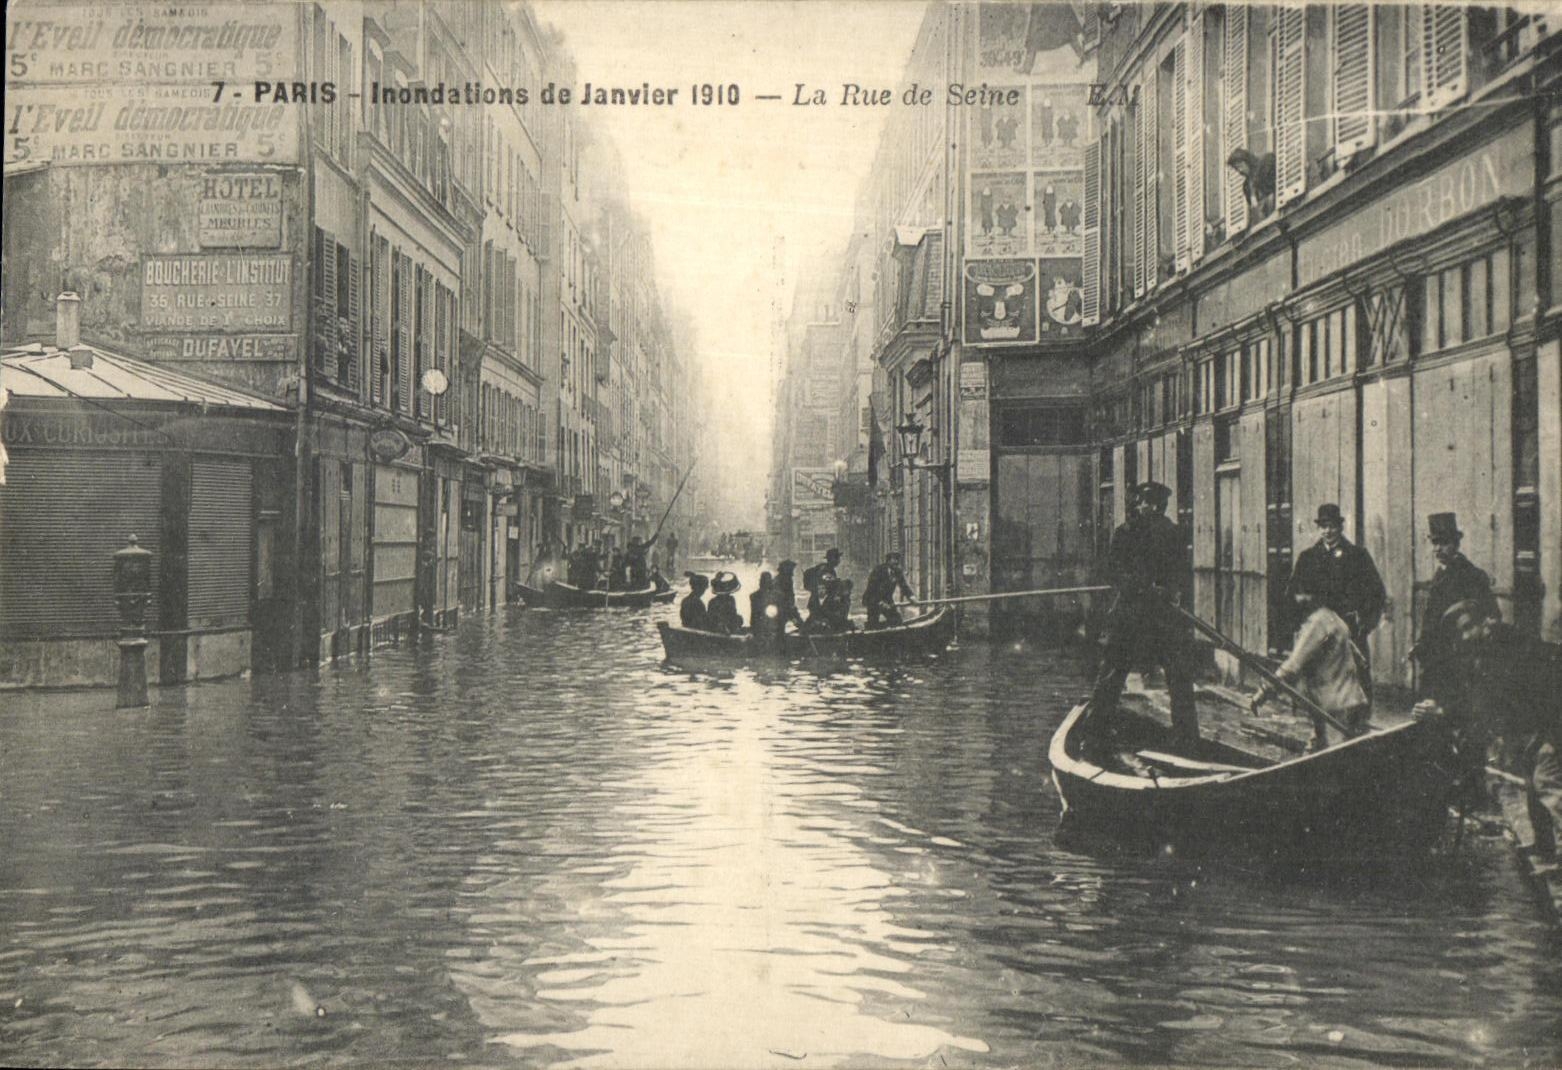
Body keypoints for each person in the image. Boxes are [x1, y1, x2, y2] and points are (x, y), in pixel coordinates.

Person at [1443, 600, 1562, 873]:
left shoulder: (1513, 648)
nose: (1464, 636)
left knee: (1549, 785)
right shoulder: (1486, 652)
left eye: (1469, 627)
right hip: (1531, 727)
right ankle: (1544, 848)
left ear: (1488, 621)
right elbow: (1483, 703)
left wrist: (1545, 736)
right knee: (1533, 784)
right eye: (1460, 632)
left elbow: (1541, 693)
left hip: (1550, 722)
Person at [1089, 480, 1199, 748]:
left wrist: (1163, 591)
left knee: (1172, 676)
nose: (1146, 507)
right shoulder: (1130, 533)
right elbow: (1114, 571)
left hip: (1153, 616)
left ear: (1157, 505)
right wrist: (1145, 587)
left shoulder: (1164, 533)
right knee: (1117, 673)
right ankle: (1096, 733)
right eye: (1143, 502)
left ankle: (1185, 739)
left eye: (1150, 503)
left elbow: (1180, 575)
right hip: (1142, 614)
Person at [1250, 573, 1371, 752]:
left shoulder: (1317, 624)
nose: (1298, 599)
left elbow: (1292, 666)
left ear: (1312, 596)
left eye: (1301, 594)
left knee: (1334, 759)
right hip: (1348, 702)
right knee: (1315, 750)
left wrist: (1263, 692)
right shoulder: (1334, 619)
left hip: (1334, 707)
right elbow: (1359, 658)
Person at [1288, 503, 1385, 700]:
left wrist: (1363, 624)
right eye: (1323, 526)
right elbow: (1292, 595)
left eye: (1332, 526)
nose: (1327, 531)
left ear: (1340, 527)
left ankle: (1358, 726)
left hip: (1349, 633)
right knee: (1318, 689)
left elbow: (1377, 593)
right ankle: (1320, 728)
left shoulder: (1357, 556)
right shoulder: (1307, 558)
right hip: (1318, 635)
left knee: (1354, 687)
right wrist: (1302, 624)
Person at [1412, 512, 1499, 712]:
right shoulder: (1439, 576)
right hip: (1434, 661)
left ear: (1456, 544)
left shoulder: (1472, 576)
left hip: (1458, 664)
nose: (1437, 549)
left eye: (1443, 543)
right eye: (1434, 543)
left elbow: (1492, 616)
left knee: (1451, 715)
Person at [863, 551, 915, 629]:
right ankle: (874, 628)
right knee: (872, 625)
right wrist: (880, 602)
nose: (896, 561)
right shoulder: (878, 570)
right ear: (888, 561)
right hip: (873, 600)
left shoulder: (898, 571)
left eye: (898, 559)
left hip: (887, 600)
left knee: (897, 620)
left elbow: (904, 586)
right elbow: (872, 589)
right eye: (894, 559)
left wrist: (911, 596)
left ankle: (885, 631)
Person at [803, 548, 842, 617]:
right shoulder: (826, 569)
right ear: (832, 558)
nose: (839, 560)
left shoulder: (825, 568)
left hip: (817, 602)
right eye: (837, 558)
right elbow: (823, 585)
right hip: (819, 603)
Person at [749, 571, 783, 648]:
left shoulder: (778, 596)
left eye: (766, 581)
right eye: (763, 581)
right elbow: (754, 616)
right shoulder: (754, 596)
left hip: (773, 626)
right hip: (760, 627)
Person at [774, 560, 807, 633]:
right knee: (781, 627)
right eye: (790, 570)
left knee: (799, 623)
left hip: (787, 607)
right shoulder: (780, 580)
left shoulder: (786, 579)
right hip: (782, 609)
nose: (792, 573)